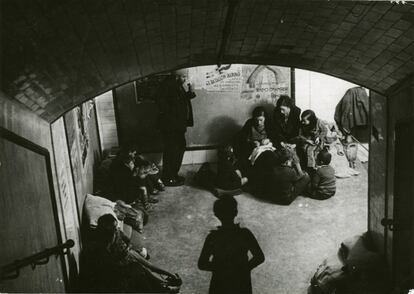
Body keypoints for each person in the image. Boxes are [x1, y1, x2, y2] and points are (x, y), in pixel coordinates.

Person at [81, 214, 181, 293]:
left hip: (126, 255)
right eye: (114, 228)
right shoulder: (101, 246)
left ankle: (167, 281)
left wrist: (127, 249)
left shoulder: (117, 232)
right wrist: (122, 255)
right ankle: (165, 287)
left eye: (116, 226)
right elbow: (109, 268)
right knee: (142, 271)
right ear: (106, 231)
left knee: (147, 267)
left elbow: (128, 241)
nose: (117, 229)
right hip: (117, 269)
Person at [198, 197, 265, 294]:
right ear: (236, 212)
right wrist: (244, 268)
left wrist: (220, 268)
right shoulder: (245, 234)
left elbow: (202, 264)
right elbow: (259, 257)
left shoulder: (212, 238)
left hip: (220, 282)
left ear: (216, 214)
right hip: (241, 281)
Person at [156, 68, 196, 186]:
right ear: (177, 76)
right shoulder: (168, 86)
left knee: (176, 149)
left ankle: (172, 175)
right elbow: (171, 106)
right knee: (172, 151)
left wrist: (191, 92)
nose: (185, 79)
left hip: (176, 126)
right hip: (171, 127)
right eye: (183, 77)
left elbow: (179, 101)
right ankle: (169, 178)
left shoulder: (175, 85)